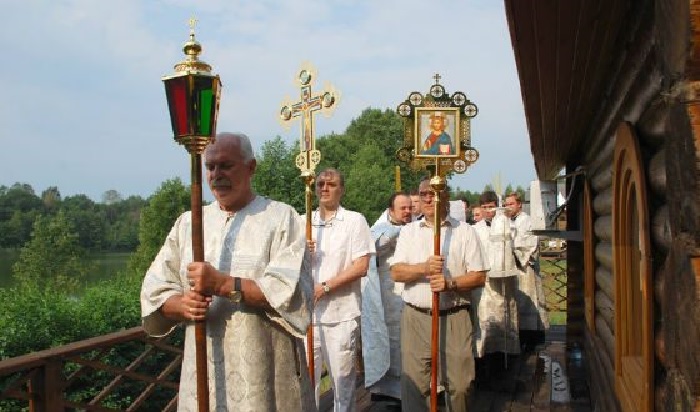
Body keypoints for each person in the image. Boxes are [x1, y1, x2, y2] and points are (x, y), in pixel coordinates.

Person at [140, 132, 315, 411]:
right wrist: (182, 305)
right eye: (210, 167)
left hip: (265, 379)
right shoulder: (189, 224)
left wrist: (223, 284)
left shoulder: (282, 218)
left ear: (251, 167)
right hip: (204, 374)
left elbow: (292, 294)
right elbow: (155, 290)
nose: (216, 174)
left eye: (226, 165)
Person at [390, 179, 487, 412]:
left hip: (455, 316)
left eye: (435, 193)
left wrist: (450, 283)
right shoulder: (408, 232)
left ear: (446, 196)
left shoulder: (465, 232)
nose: (429, 198)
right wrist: (424, 268)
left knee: (461, 384)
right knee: (414, 385)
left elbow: (479, 276)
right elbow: (396, 272)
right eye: (424, 194)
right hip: (416, 317)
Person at [304, 168, 374, 412]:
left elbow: (361, 266)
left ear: (341, 189)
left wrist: (325, 287)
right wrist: (301, 254)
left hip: (341, 314)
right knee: (307, 383)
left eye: (330, 184)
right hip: (308, 317)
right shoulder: (306, 222)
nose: (324, 188)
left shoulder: (354, 221)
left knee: (342, 383)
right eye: (320, 183)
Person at [361, 192, 413, 408]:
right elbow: (374, 245)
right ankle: (386, 392)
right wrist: (398, 233)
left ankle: (411, 390)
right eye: (403, 208)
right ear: (390, 211)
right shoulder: (380, 228)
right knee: (390, 342)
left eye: (410, 207)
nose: (408, 212)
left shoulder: (417, 228)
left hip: (409, 294)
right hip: (388, 298)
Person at [471, 191, 520, 388]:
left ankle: (502, 373)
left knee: (502, 325)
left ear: (496, 206)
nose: (488, 211)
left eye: (491, 206)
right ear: (480, 209)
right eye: (484, 207)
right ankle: (482, 373)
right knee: (483, 328)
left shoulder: (507, 225)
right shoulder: (474, 230)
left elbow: (516, 248)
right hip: (482, 287)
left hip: (502, 287)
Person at [504, 192, 549, 351]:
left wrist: (514, 251)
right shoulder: (504, 222)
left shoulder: (528, 221)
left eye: (511, 204)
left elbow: (531, 243)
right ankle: (518, 337)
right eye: (506, 204)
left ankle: (532, 339)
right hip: (510, 270)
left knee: (530, 301)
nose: (508, 207)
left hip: (525, 268)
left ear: (519, 204)